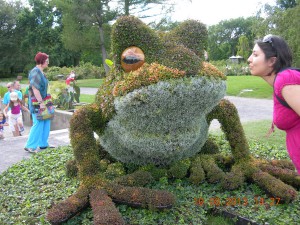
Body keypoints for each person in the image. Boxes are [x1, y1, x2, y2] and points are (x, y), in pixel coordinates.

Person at [248, 34, 300, 173]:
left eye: (255, 55)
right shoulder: (281, 82)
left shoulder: (286, 79)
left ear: (271, 61)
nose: (249, 59)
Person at [24, 52, 55, 153]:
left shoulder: (41, 72)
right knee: (38, 123)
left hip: (45, 101)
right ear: (41, 61)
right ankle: (30, 145)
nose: (48, 63)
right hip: (37, 102)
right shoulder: (36, 72)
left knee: (46, 121)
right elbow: (35, 89)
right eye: (46, 61)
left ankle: (43, 144)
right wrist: (41, 102)